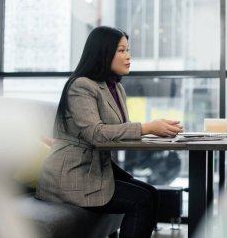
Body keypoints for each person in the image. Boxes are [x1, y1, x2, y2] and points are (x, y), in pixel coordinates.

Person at [35, 26, 183, 238]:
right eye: (121, 51)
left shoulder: (115, 88)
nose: (128, 57)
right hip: (72, 175)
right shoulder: (81, 86)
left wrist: (159, 130)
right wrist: (148, 127)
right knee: (142, 200)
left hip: (95, 169)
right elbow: (96, 134)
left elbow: (119, 130)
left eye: (128, 50)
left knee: (151, 192)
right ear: (103, 52)